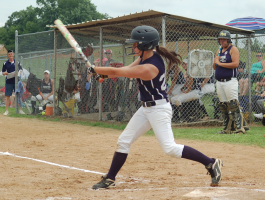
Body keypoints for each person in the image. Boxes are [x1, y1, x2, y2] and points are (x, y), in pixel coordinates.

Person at [88, 25, 223, 189]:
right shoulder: (146, 57)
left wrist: (96, 69)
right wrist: (102, 75)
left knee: (170, 149)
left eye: (136, 43)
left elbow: (121, 72)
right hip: (146, 109)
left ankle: (211, 163)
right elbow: (125, 70)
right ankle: (110, 178)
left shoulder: (150, 67)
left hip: (159, 110)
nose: (133, 46)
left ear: (145, 45)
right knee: (123, 141)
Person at [213, 30, 246, 134]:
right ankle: (227, 129)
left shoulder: (233, 49)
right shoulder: (219, 50)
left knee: (233, 104)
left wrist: (220, 63)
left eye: (224, 39)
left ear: (228, 40)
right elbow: (215, 67)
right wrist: (216, 60)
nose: (222, 41)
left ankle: (240, 128)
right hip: (219, 81)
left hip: (230, 81)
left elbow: (235, 64)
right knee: (223, 106)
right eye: (220, 39)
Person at [1, 49, 24, 115]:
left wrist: (18, 73)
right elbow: (3, 72)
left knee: (18, 95)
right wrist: (5, 73)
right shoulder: (5, 63)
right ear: (8, 55)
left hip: (16, 81)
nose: (10, 55)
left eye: (11, 54)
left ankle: (20, 110)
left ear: (13, 55)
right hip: (9, 81)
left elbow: (21, 70)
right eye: (9, 54)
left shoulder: (17, 62)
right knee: (8, 96)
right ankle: (7, 111)